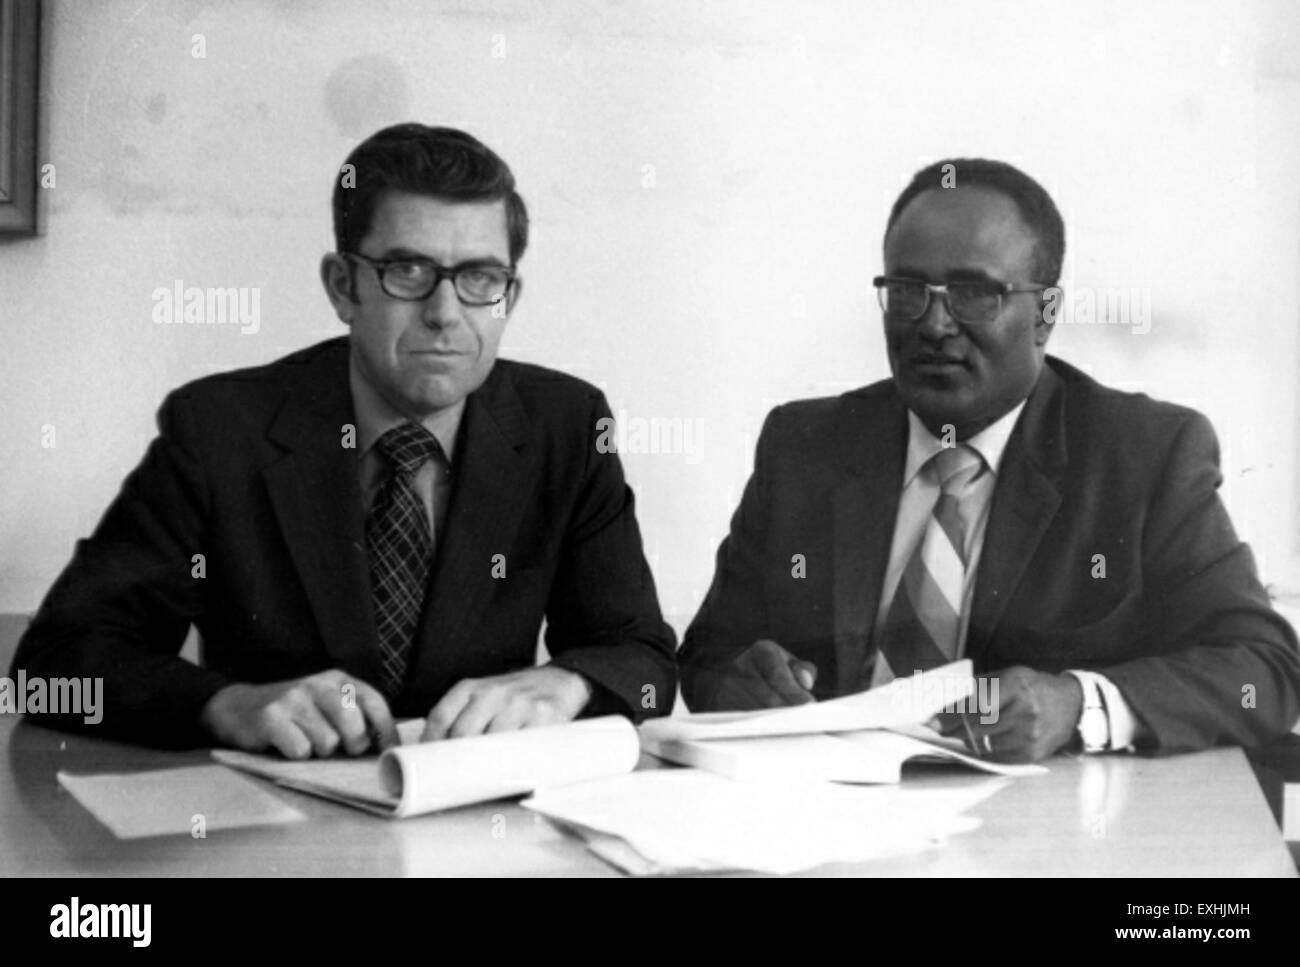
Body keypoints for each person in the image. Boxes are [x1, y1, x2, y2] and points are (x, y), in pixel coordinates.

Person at [13, 124, 676, 758]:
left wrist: (569, 683)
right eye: (408, 271)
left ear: (509, 295)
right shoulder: (220, 429)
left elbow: (642, 657)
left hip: (477, 829)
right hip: (275, 829)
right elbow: (51, 668)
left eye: (479, 277)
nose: (446, 313)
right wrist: (228, 703)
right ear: (342, 286)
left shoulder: (566, 426)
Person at [679, 158, 1300, 762]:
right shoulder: (805, 445)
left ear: (1046, 315)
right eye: (907, 291)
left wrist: (1075, 703)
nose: (934, 324)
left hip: (1049, 839)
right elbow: (709, 653)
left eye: (975, 293)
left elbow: (1264, 668)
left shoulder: (1144, 455)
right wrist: (741, 681)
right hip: (828, 822)